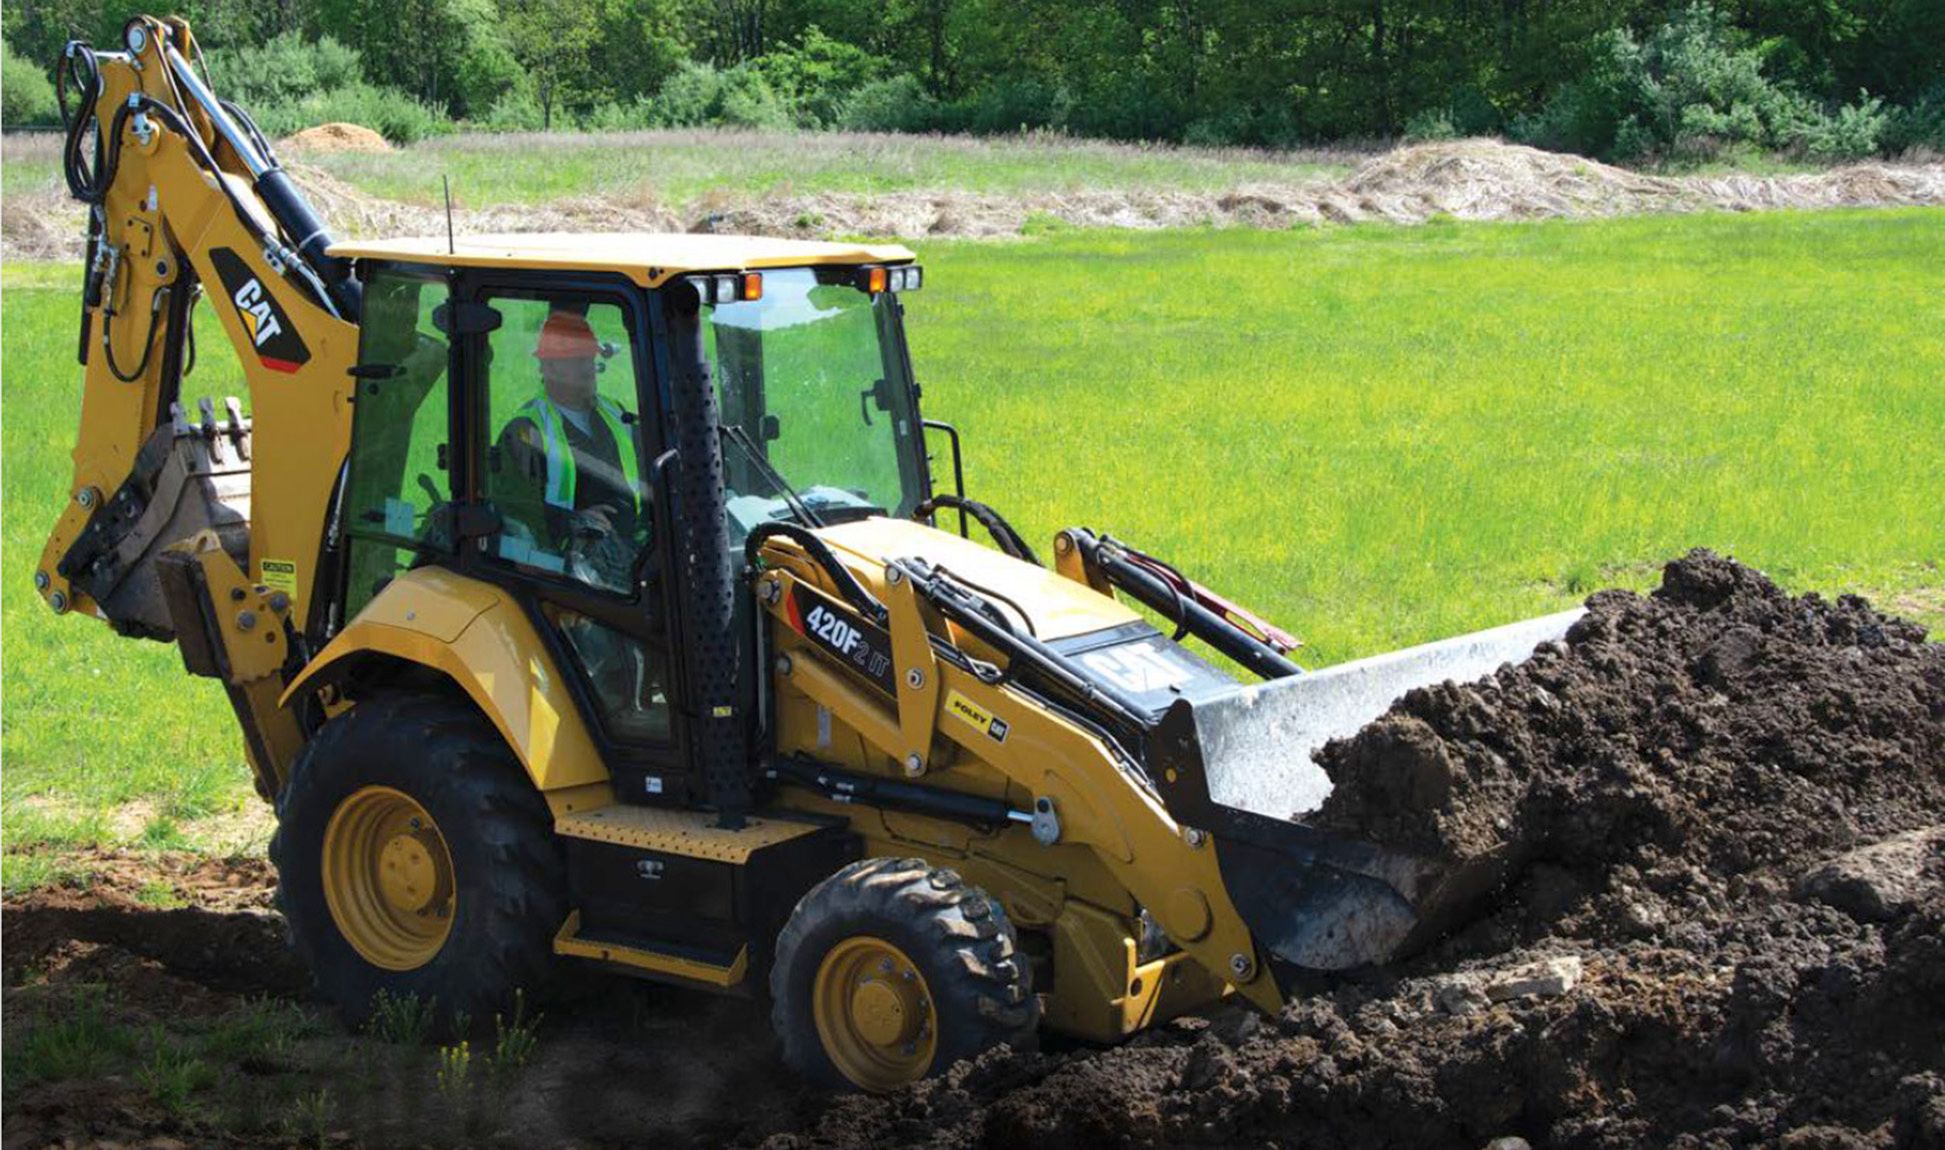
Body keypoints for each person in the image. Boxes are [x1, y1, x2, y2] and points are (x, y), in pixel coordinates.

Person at [495, 308, 645, 588]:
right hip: (566, 565)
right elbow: (512, 510)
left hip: (626, 550)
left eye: (589, 358)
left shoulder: (616, 413)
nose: (588, 368)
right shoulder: (525, 430)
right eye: (577, 361)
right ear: (549, 367)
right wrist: (573, 521)